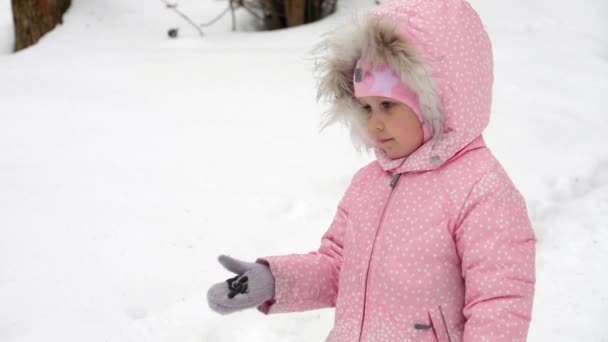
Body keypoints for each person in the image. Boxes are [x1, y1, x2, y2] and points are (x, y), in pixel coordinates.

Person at [207, 0, 537, 340]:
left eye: (388, 105)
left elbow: (500, 305)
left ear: (437, 99)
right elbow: (337, 267)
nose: (374, 123)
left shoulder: (480, 189)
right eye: (365, 108)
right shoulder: (369, 184)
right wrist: (274, 280)